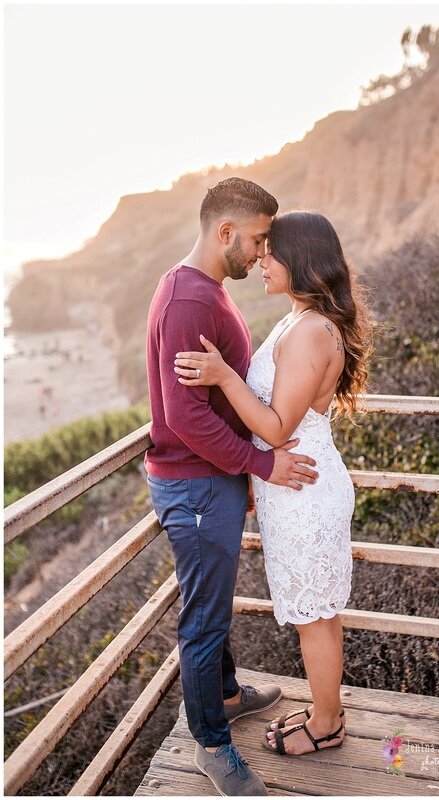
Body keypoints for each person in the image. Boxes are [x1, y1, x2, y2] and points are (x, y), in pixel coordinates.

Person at [174, 210, 372, 757]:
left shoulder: (310, 331)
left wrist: (222, 377)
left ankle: (327, 726)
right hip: (295, 485)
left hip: (302, 488)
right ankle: (325, 711)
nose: (260, 259)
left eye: (271, 251)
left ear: (302, 259)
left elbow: (277, 426)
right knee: (319, 615)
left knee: (315, 619)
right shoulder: (301, 319)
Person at [145, 179, 319, 795]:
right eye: (256, 239)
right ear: (225, 233)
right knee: (204, 621)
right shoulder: (190, 301)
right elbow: (186, 416)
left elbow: (207, 404)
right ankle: (212, 748)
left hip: (209, 480)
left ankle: (225, 693)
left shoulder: (201, 289)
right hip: (193, 488)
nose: (260, 252)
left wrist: (239, 470)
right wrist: (261, 465)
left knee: (212, 607)